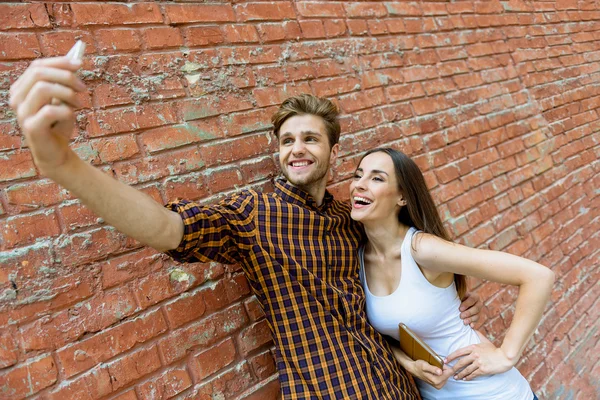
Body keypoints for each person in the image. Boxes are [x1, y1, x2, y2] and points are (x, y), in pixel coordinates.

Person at [9, 56, 484, 399]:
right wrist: (63, 165)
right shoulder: (252, 214)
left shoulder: (349, 219)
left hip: (397, 387)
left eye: (310, 139)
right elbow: (166, 228)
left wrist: (404, 359)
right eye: (286, 140)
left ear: (333, 152)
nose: (296, 149)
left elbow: (365, 313)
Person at [350, 147, 555, 400]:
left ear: (402, 197)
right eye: (358, 175)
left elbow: (538, 276)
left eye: (376, 178)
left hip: (495, 394)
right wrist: (409, 363)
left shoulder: (422, 249)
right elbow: (375, 335)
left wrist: (506, 355)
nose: (359, 185)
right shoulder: (357, 258)